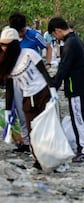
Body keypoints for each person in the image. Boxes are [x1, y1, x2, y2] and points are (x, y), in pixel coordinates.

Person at [0, 27, 56, 170]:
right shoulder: (7, 63)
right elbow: (10, 89)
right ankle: (39, 161)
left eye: (7, 45)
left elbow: (44, 72)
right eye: (2, 44)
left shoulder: (29, 53)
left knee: (46, 127)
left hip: (42, 93)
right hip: (27, 97)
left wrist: (53, 90)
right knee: (32, 129)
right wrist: (8, 111)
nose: (4, 48)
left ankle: (52, 158)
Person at [47, 17, 84, 163]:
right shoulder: (75, 39)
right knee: (82, 120)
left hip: (77, 89)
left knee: (79, 120)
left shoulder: (70, 44)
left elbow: (64, 67)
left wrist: (54, 83)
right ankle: (83, 148)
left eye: (55, 35)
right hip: (83, 87)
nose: (56, 38)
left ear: (58, 30)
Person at [8, 12, 53, 153]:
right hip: (15, 78)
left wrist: (49, 63)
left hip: (33, 79)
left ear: (25, 27)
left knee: (34, 110)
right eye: (18, 32)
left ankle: (39, 140)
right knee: (20, 110)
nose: (21, 34)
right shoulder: (8, 37)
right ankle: (26, 142)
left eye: (22, 31)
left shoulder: (33, 35)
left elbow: (48, 47)